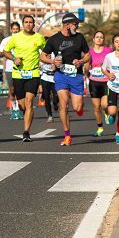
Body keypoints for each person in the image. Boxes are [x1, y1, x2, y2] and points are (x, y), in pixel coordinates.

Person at [40, 13, 91, 147]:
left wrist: (81, 61)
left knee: (77, 107)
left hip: (76, 76)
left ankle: (79, 107)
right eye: (75, 24)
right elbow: (42, 56)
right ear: (67, 25)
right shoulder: (54, 39)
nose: (77, 26)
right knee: (63, 104)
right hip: (60, 75)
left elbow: (88, 55)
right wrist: (52, 61)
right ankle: (67, 135)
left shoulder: (79, 37)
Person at [1, 15, 46, 142]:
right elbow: (5, 51)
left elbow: (45, 51)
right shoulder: (15, 38)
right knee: (23, 106)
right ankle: (27, 111)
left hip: (33, 74)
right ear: (23, 24)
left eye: (31, 22)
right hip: (18, 74)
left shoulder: (39, 38)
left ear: (33, 24)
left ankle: (26, 132)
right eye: (26, 22)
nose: (28, 24)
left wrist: (49, 60)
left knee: (29, 102)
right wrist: (14, 58)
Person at [85, 30, 113, 137]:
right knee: (96, 107)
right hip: (94, 82)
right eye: (97, 37)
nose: (99, 39)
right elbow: (86, 70)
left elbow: (113, 64)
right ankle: (100, 128)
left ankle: (106, 112)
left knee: (104, 105)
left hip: (106, 82)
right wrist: (87, 65)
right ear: (93, 39)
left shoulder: (108, 51)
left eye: (101, 37)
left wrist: (105, 66)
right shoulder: (89, 52)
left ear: (103, 39)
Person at [0, 22, 21, 118]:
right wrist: (6, 53)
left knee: (19, 90)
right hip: (10, 68)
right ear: (11, 30)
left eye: (17, 29)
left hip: (21, 68)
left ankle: (18, 109)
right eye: (14, 29)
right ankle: (14, 107)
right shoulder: (6, 40)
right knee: (12, 90)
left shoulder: (22, 40)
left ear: (19, 29)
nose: (15, 30)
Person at [39, 55, 58, 123]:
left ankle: (55, 103)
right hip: (45, 77)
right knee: (47, 97)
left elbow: (56, 66)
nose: (49, 55)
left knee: (56, 96)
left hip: (54, 78)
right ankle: (50, 115)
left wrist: (54, 65)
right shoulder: (42, 56)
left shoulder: (55, 55)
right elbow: (40, 67)